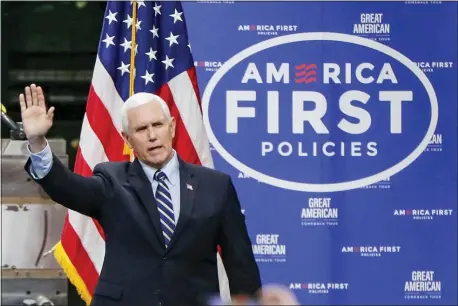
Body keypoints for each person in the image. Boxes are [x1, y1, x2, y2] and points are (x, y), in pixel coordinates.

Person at [20, 84, 261, 306]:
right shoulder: (112, 181)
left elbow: (241, 266)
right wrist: (37, 141)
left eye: (158, 125)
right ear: (127, 139)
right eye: (142, 129)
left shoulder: (215, 186)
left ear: (172, 127)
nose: (152, 135)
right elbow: (67, 187)